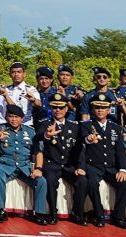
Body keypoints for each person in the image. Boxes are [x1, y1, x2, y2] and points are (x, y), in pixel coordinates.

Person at [0, 104, 48, 225]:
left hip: (24, 166)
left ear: (22, 118)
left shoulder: (30, 131)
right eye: (11, 116)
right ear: (6, 117)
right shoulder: (0, 129)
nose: (14, 120)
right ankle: (0, 210)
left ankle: (39, 213)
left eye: (16, 117)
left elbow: (38, 152)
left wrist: (38, 168)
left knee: (41, 181)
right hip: (5, 164)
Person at [36, 93, 88, 226]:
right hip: (52, 163)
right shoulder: (45, 124)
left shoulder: (75, 125)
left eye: (61, 107)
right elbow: (37, 137)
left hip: (69, 165)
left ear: (66, 109)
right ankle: (53, 213)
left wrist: (80, 166)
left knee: (82, 181)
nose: (57, 110)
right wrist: (47, 135)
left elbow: (80, 149)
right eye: (54, 107)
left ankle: (77, 213)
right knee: (50, 180)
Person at [81, 93, 126, 228]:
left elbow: (119, 151)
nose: (100, 110)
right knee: (92, 183)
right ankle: (99, 215)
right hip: (93, 165)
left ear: (108, 110)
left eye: (103, 108)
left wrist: (123, 169)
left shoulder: (116, 128)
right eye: (96, 107)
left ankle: (117, 216)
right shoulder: (86, 126)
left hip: (111, 167)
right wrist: (88, 139)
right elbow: (83, 141)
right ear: (93, 110)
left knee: (124, 183)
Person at [3, 62, 41, 126]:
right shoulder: (6, 90)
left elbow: (39, 104)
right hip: (9, 125)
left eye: (19, 72)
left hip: (26, 124)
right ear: (10, 75)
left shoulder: (30, 89)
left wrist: (33, 100)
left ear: (24, 74)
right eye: (13, 72)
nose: (16, 74)